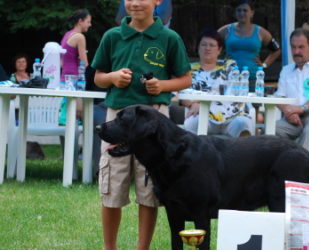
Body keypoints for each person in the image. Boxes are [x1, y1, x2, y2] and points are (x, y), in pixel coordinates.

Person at [91, 0, 191, 249]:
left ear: (157, 1)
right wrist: (112, 77)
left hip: (155, 119)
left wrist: (162, 86)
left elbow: (185, 78)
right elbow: (98, 78)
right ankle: (109, 247)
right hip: (117, 117)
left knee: (149, 189)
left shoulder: (169, 38)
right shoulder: (112, 36)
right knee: (112, 184)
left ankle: (142, 248)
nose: (135, 3)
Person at [182, 29, 254, 137]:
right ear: (198, 48)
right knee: (191, 123)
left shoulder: (229, 66)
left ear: (219, 50)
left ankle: (243, 153)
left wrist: (198, 98)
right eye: (204, 45)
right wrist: (192, 103)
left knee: (243, 124)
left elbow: (228, 90)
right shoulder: (190, 69)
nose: (207, 48)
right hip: (204, 115)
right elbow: (182, 93)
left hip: (232, 116)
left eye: (212, 45)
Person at [218, 0, 281, 89]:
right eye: (239, 10)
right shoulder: (226, 30)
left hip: (253, 79)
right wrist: (219, 63)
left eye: (245, 10)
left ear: (252, 13)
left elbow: (276, 50)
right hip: (229, 78)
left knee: (253, 103)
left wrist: (264, 64)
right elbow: (212, 45)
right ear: (235, 13)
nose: (242, 13)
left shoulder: (260, 32)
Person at [59, 9, 92, 125]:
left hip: (64, 80)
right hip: (75, 81)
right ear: (80, 21)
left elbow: (61, 62)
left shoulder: (67, 35)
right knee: (78, 118)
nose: (90, 24)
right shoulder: (80, 37)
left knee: (66, 117)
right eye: (88, 21)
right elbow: (85, 63)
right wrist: (84, 56)